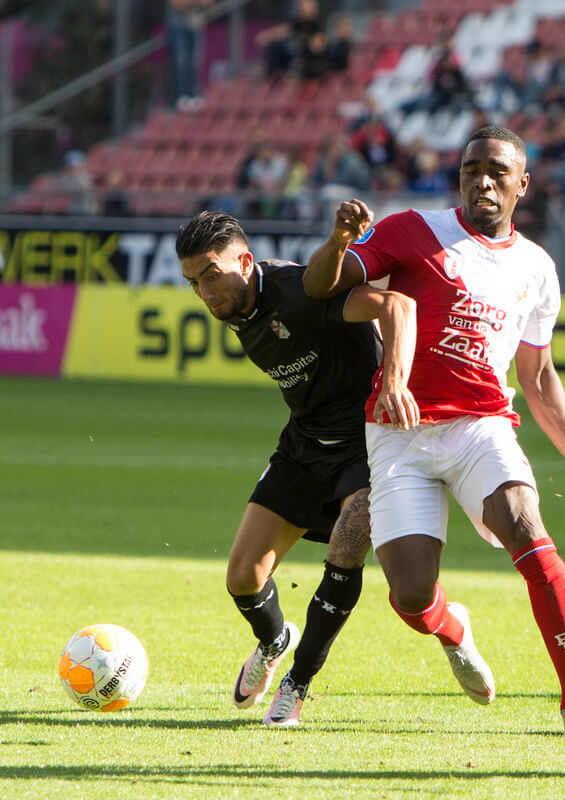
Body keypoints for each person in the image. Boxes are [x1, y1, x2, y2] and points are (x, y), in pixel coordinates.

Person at [302, 126, 565, 740]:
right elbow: (323, 287)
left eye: (498, 172)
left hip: (482, 426)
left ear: (522, 185)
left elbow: (536, 373)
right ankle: (451, 626)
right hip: (400, 432)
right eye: (472, 168)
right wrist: (340, 240)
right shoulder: (412, 230)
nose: (483, 180)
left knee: (528, 529)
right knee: (409, 593)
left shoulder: (538, 267)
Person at [175, 211, 419, 727]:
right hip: (304, 445)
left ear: (245, 261)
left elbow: (396, 305)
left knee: (346, 550)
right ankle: (273, 641)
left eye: (212, 275)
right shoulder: (237, 308)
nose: (204, 293)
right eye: (194, 282)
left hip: (366, 444)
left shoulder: (298, 291)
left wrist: (394, 382)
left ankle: (297, 685)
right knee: (243, 577)